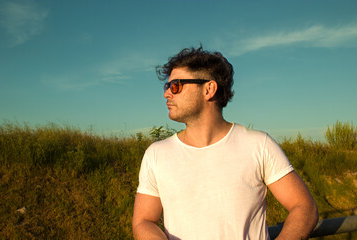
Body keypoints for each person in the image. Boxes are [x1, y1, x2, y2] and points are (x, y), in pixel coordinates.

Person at [132, 46, 318, 240]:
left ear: (209, 89)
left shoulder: (258, 145)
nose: (167, 94)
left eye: (176, 86)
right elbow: (144, 220)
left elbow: (305, 207)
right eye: (167, 86)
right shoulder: (156, 154)